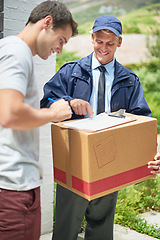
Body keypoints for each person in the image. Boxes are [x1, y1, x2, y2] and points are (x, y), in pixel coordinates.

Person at [41, 15, 156, 240]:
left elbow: (142, 119)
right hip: (74, 161)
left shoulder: (129, 80)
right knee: (65, 227)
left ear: (119, 43)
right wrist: (68, 101)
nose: (104, 48)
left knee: (102, 228)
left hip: (109, 161)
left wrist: (151, 153)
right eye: (99, 41)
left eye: (110, 43)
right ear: (92, 39)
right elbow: (47, 100)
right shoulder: (71, 72)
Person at [0, 1, 78, 240]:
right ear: (47, 23)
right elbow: (10, 114)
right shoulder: (17, 52)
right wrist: (54, 114)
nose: (60, 49)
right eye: (62, 40)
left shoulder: (7, 48)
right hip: (14, 189)